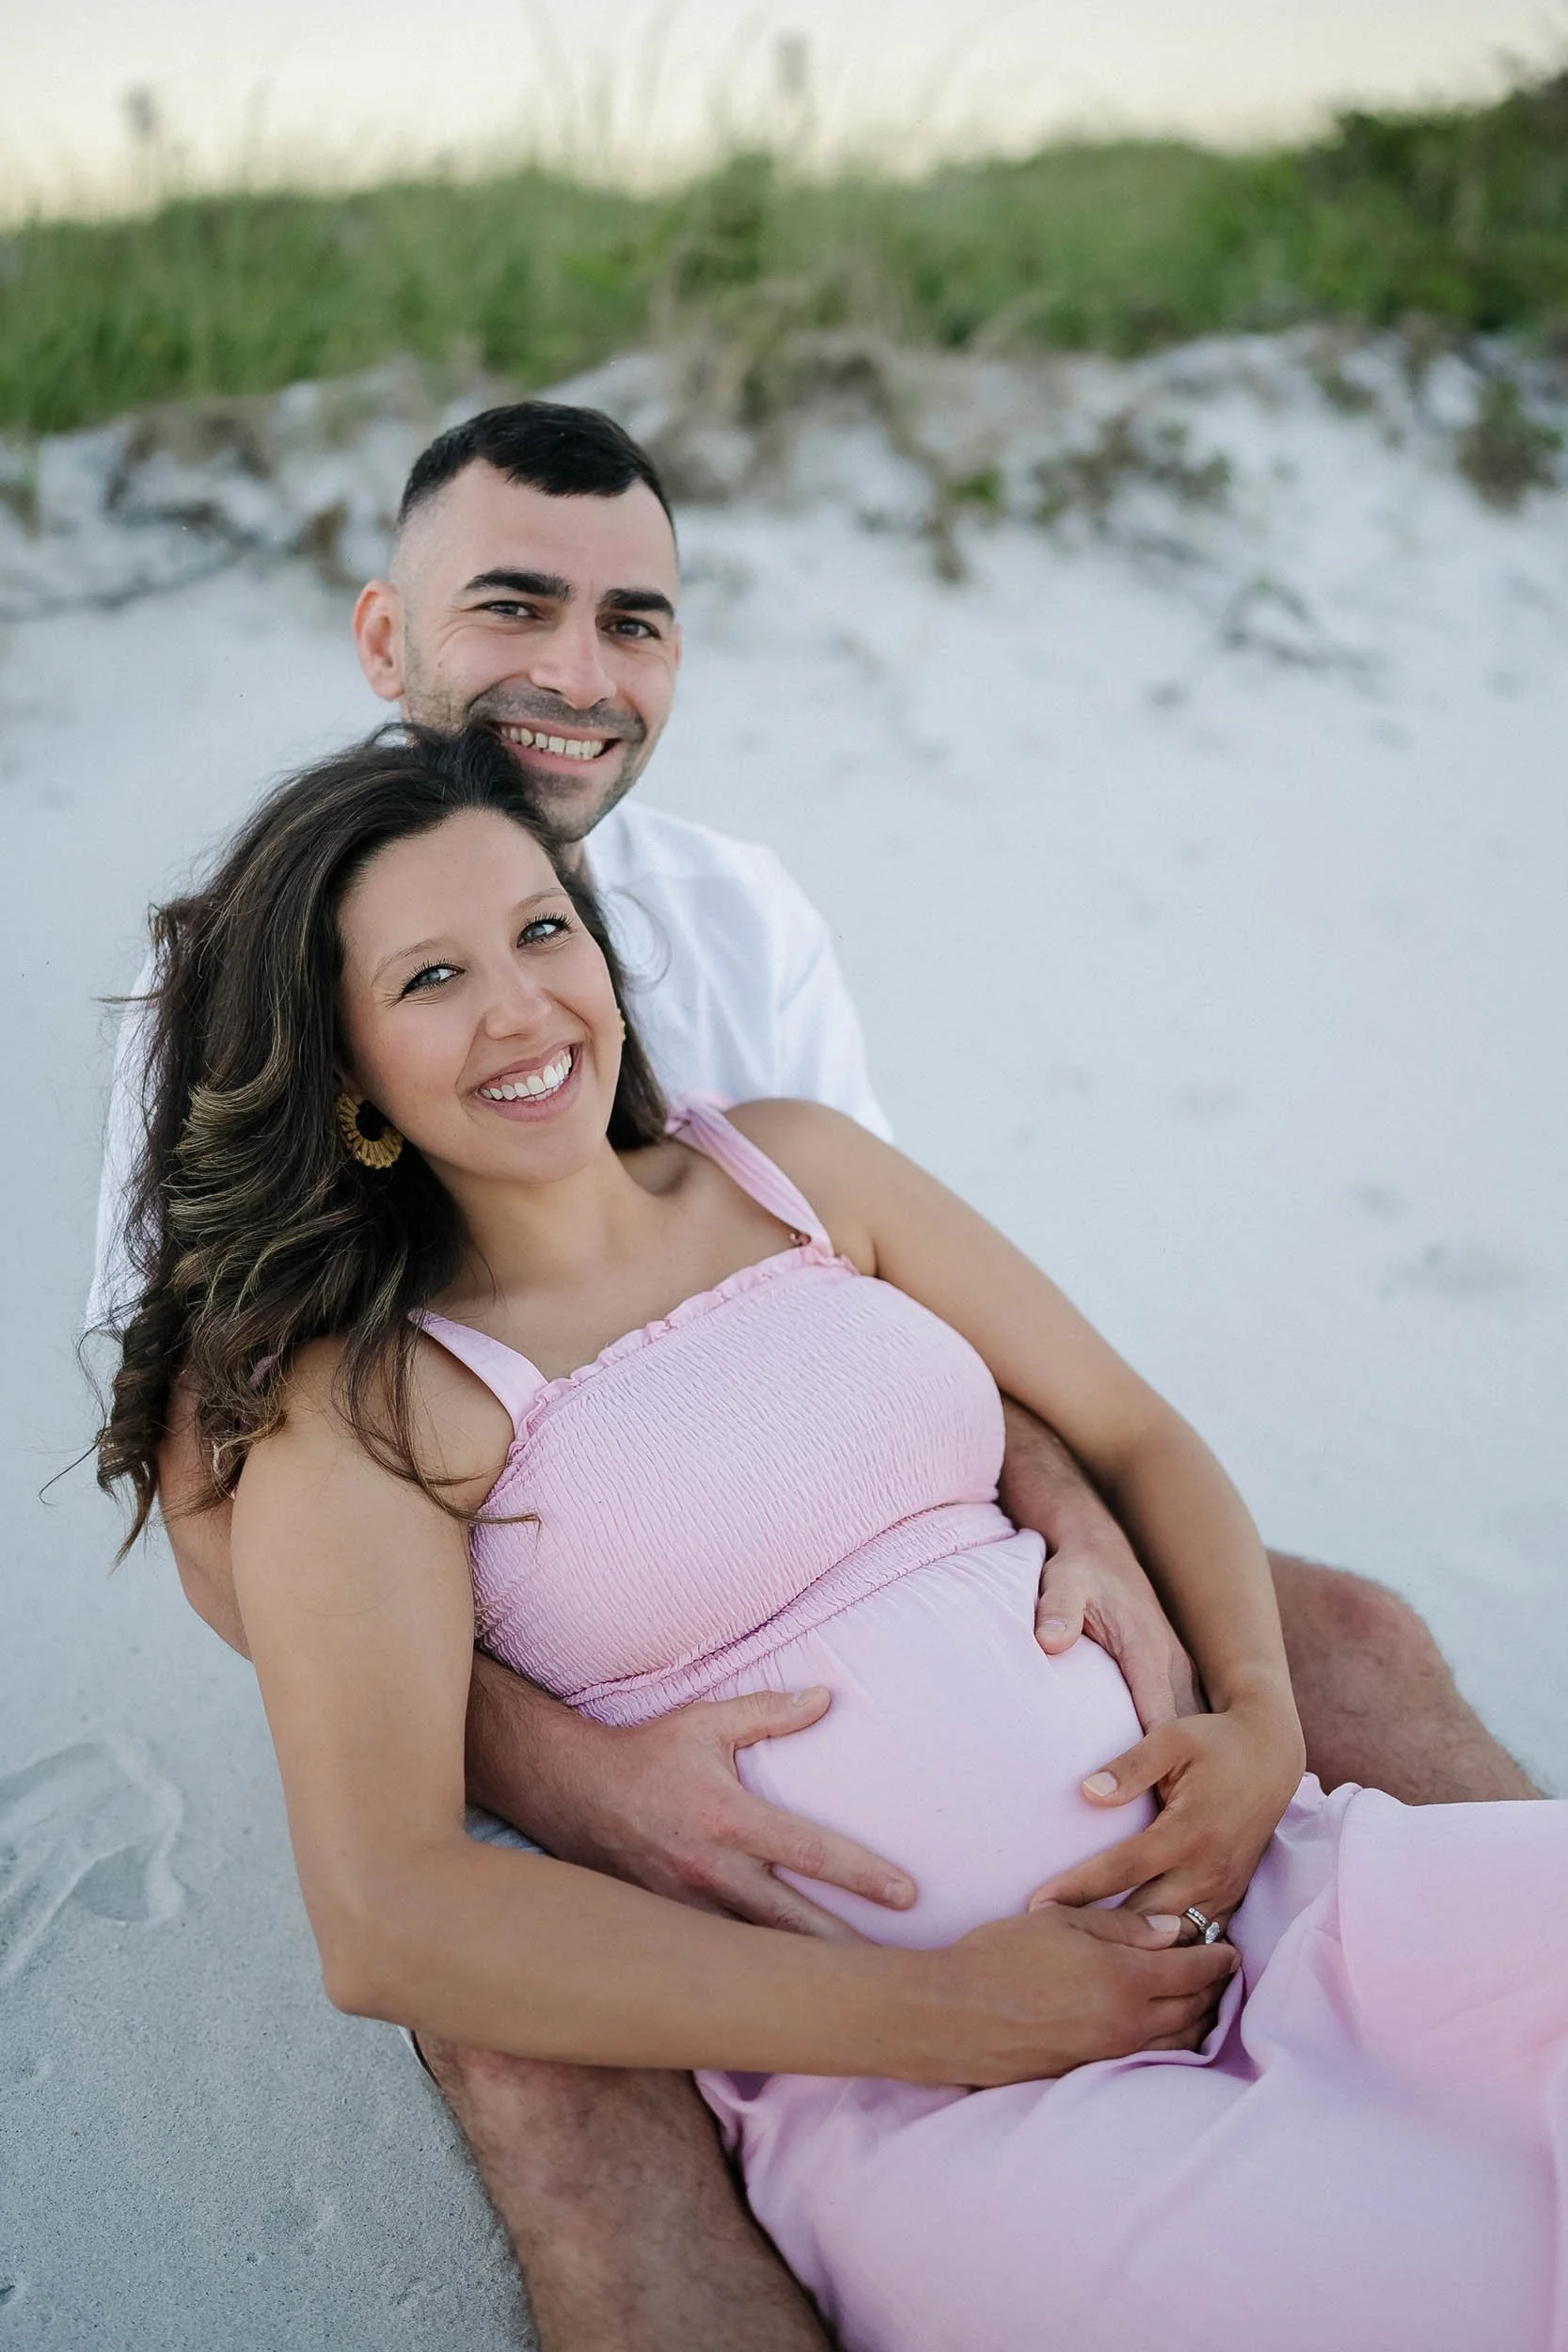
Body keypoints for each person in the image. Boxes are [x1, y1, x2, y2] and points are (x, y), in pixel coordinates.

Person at [90, 404, 1540, 2351]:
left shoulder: (745, 1002)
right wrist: (586, 1777)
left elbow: (952, 1359)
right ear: (386, 635)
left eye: (634, 619)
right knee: (549, 2082)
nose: (574, 672)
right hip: (704, 1836)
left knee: (1352, 1650)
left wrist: (1156, 1617)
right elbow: (232, 1537)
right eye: (514, 604)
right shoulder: (303, 1173)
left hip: (1235, 1873)